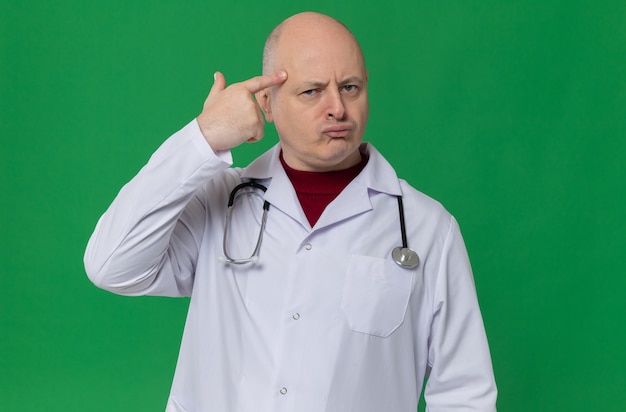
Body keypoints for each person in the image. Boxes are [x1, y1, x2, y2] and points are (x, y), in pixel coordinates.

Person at [84, 11, 497, 412]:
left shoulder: (428, 228)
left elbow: (464, 392)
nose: (337, 108)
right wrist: (204, 138)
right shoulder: (220, 201)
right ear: (267, 101)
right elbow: (111, 265)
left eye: (350, 87)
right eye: (312, 91)